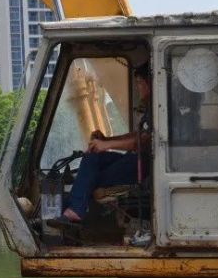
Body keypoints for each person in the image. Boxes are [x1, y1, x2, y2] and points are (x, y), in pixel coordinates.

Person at [61, 63, 152, 224]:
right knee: (92, 157)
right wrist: (105, 140)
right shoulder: (150, 109)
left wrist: (107, 146)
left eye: (139, 83)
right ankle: (73, 208)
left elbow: (141, 142)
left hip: (142, 164)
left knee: (90, 180)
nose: (138, 88)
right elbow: (137, 135)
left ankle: (73, 209)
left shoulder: (158, 108)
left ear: (149, 83)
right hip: (133, 159)